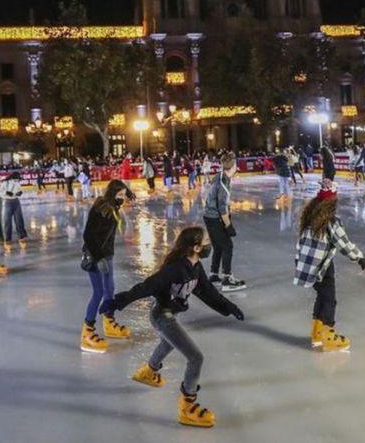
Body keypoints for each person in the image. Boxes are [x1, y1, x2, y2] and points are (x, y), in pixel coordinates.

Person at [103, 225, 245, 429]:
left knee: (168, 343)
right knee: (196, 358)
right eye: (206, 242)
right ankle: (188, 405)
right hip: (161, 315)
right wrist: (119, 302)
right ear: (196, 248)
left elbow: (208, 292)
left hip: (170, 314)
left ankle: (148, 371)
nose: (209, 245)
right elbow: (147, 286)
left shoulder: (195, 267)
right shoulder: (176, 268)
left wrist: (230, 307)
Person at [294, 179, 365, 352]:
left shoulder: (310, 215)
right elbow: (344, 244)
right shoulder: (331, 221)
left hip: (307, 262)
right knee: (329, 299)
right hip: (321, 266)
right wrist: (359, 257)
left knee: (322, 296)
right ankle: (327, 336)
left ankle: (317, 333)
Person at [80, 179, 135, 353]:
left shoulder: (113, 207)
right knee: (98, 292)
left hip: (107, 254)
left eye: (123, 195)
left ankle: (109, 321)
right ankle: (87, 332)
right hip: (96, 256)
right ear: (111, 194)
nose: (122, 198)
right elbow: (88, 235)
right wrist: (98, 257)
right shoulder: (100, 208)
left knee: (110, 289)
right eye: (119, 195)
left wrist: (128, 195)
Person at [202, 154, 245, 291]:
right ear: (232, 167)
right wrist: (228, 225)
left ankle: (214, 275)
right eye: (236, 165)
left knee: (219, 246)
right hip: (215, 218)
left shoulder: (220, 176)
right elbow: (222, 207)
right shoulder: (223, 182)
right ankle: (227, 279)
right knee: (228, 246)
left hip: (209, 216)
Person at [0, 172, 28, 247]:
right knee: (7, 221)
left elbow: (20, 190)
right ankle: (7, 238)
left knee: (19, 220)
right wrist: (6, 193)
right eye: (17, 178)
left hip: (16, 201)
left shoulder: (17, 183)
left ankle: (22, 236)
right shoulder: (5, 183)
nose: (18, 180)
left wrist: (20, 193)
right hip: (7, 202)